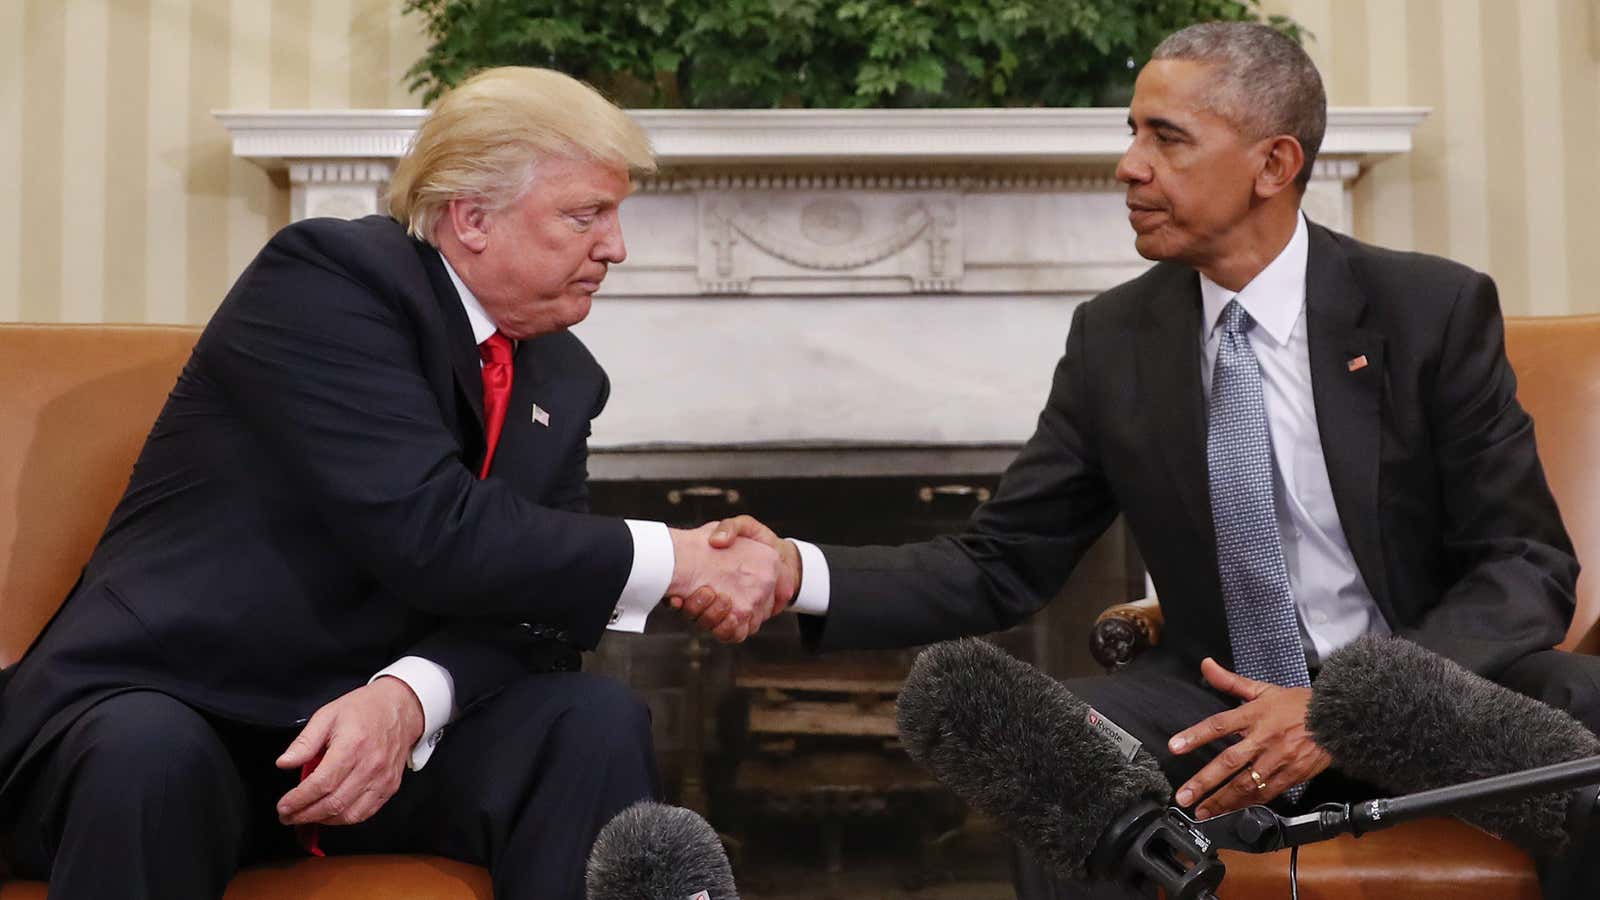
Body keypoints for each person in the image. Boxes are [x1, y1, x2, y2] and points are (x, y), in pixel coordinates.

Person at [679, 21, 1600, 900]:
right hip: (1217, 710)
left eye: (1167, 139)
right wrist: (796, 570)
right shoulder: (1115, 339)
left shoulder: (1426, 310)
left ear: (1274, 165)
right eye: (1132, 134)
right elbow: (1003, 562)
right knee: (1054, 747)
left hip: (1420, 690)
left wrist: (1347, 706)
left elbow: (1525, 565)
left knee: (1581, 706)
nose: (1129, 166)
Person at [0, 67, 785, 900]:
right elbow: (429, 527)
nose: (616, 246)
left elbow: (538, 618)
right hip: (183, 701)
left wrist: (410, 697)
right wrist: (680, 558)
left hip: (378, 746)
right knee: (148, 752)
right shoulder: (330, 281)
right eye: (586, 214)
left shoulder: (563, 376)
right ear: (471, 218)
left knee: (592, 721)